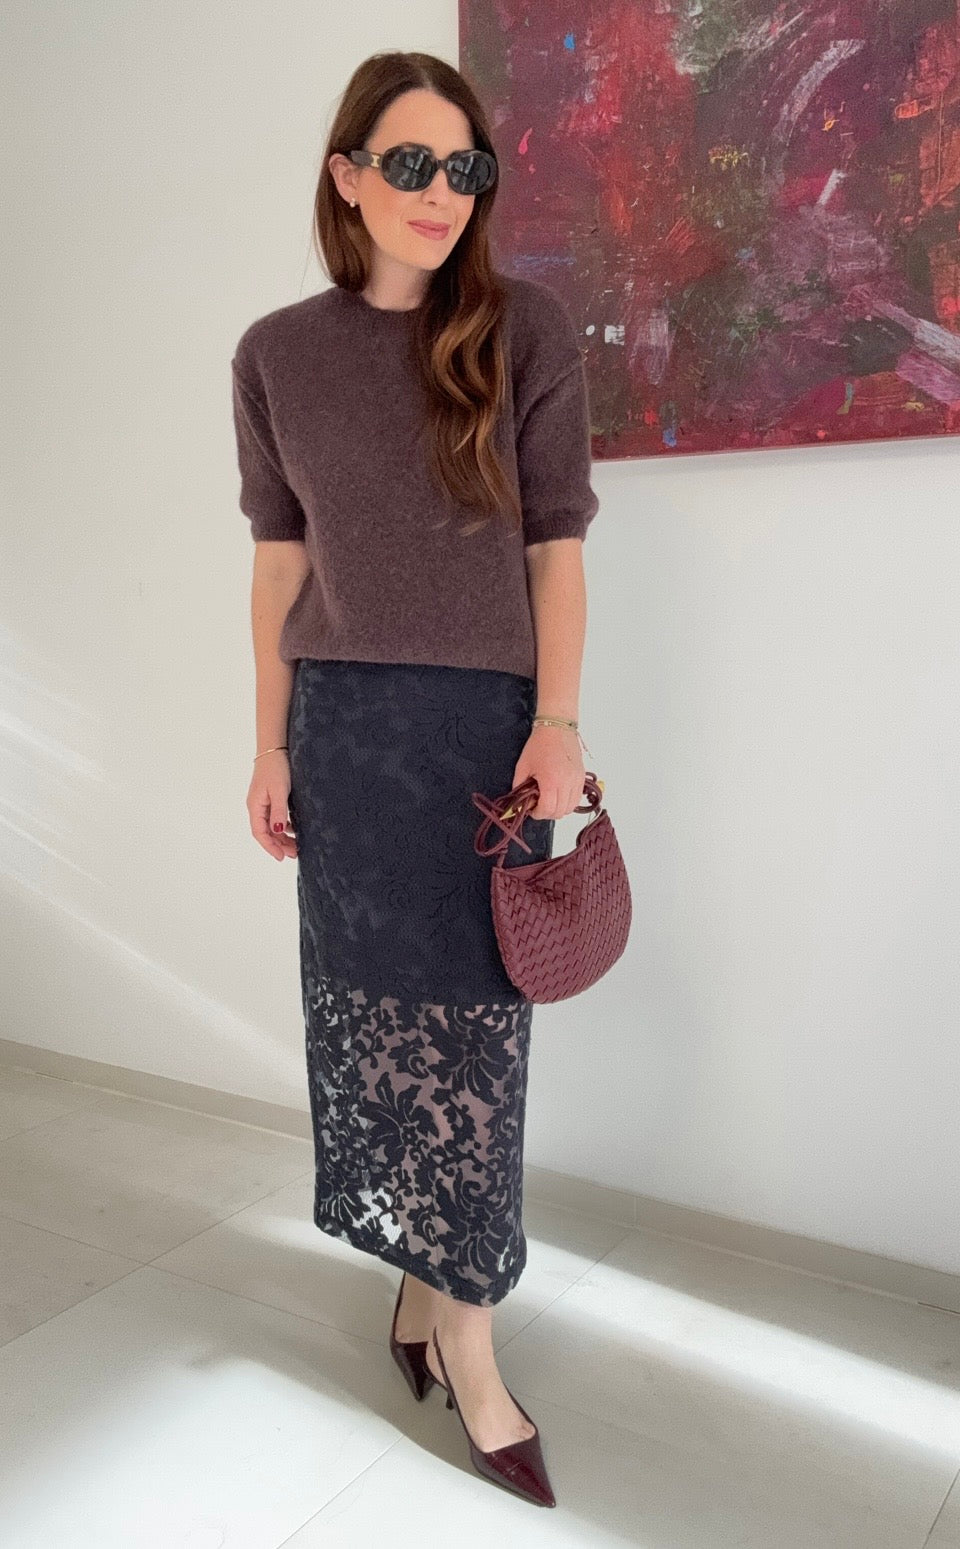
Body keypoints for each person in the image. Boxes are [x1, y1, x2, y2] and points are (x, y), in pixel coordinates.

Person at [230, 50, 598, 1510]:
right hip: (343, 733)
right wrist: (269, 742)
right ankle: (419, 1289)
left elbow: (556, 546)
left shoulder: (525, 330)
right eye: (409, 162)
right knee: (373, 1028)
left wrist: (556, 720)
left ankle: (465, 1330)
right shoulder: (275, 353)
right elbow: (278, 565)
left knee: (476, 1048)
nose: (441, 192)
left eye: (464, 168)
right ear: (348, 176)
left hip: (481, 742)